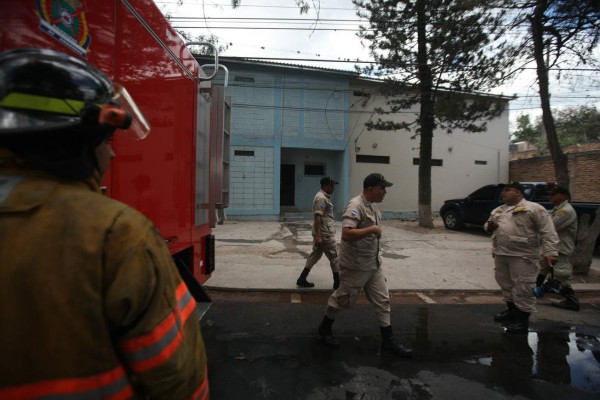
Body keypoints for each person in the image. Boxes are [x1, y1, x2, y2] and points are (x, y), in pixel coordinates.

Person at [0, 49, 208, 399]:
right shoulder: (117, 235)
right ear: (73, 140)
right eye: (106, 140)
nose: (111, 154)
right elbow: (177, 378)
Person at [317, 173, 412, 357]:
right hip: (355, 265)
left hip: (373, 264)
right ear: (370, 188)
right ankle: (324, 329)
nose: (385, 192)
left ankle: (388, 341)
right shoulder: (356, 205)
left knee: (383, 300)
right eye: (382, 188)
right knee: (343, 300)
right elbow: (346, 233)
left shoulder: (373, 206)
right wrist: (372, 229)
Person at [485, 182, 559, 334]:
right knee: (505, 283)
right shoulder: (499, 210)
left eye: (507, 190)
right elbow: (487, 226)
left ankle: (522, 319)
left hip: (523, 255)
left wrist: (551, 252)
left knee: (523, 286)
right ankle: (511, 311)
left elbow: (548, 231)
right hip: (501, 253)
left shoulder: (535, 208)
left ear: (518, 193)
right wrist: (489, 227)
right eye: (503, 191)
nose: (503, 193)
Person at [536, 186, 579, 311]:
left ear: (563, 196)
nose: (550, 197)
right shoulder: (558, 209)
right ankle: (535, 291)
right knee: (543, 268)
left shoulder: (566, 211)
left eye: (554, 194)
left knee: (561, 274)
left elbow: (550, 225)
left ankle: (572, 300)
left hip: (561, 248)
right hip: (551, 246)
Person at [296, 176, 340, 289]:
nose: (333, 188)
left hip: (322, 233)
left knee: (315, 255)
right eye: (332, 185)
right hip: (325, 234)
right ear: (325, 186)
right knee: (334, 257)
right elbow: (317, 217)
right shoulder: (322, 198)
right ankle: (338, 283)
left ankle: (302, 279)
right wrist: (319, 236)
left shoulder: (323, 197)